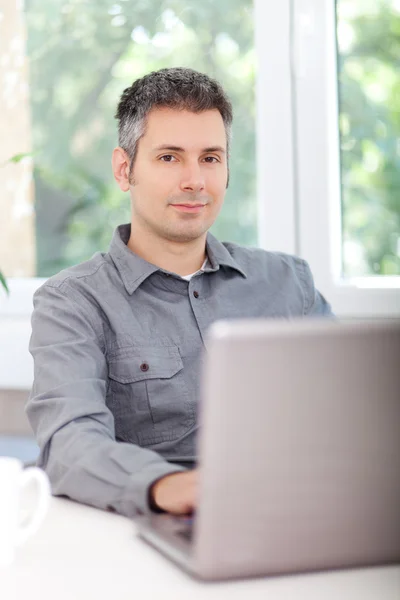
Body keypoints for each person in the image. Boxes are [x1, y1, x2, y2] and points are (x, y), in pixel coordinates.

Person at [26, 67, 334, 519]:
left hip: (293, 512)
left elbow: (351, 417)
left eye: (210, 158)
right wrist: (174, 487)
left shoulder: (290, 283)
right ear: (124, 169)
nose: (195, 180)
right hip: (152, 523)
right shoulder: (72, 303)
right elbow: (69, 445)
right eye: (169, 158)